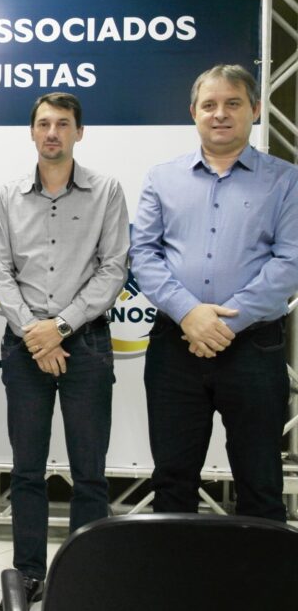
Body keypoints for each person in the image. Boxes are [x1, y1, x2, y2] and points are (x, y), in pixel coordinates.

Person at [131, 64, 298, 521]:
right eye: (209, 105)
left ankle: (258, 572)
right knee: (172, 481)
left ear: (255, 110)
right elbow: (143, 254)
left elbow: (290, 261)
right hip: (175, 346)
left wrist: (226, 323)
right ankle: (176, 570)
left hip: (254, 348)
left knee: (260, 482)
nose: (220, 113)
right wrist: (190, 315)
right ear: (194, 113)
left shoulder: (286, 180)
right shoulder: (162, 178)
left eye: (232, 103)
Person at [0, 92, 129, 608]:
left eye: (63, 124)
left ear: (79, 133)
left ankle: (86, 576)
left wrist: (61, 327)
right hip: (25, 347)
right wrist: (35, 332)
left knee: (89, 472)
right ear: (32, 132)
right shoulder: (7, 196)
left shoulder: (106, 191)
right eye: (44, 124)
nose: (53, 132)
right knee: (26, 471)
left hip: (85, 345)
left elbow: (114, 268)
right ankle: (28, 575)